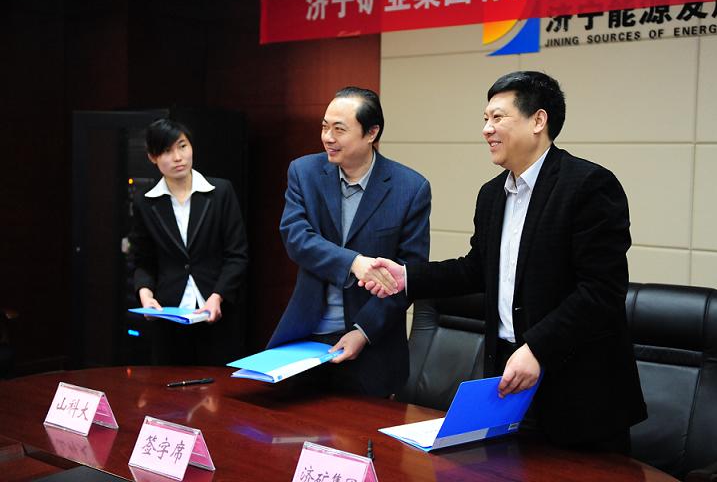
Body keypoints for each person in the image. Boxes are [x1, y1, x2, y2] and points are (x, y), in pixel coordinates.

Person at [364, 71, 647, 452]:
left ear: (538, 120)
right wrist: (407, 277)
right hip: (508, 382)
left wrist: (537, 348)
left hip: (580, 392)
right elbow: (476, 269)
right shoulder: (492, 194)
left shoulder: (588, 185)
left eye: (498, 117)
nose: (486, 129)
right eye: (485, 118)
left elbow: (601, 291)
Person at [266, 86, 431, 397]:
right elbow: (296, 237)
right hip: (306, 338)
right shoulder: (304, 172)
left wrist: (362, 332)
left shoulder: (410, 188)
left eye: (339, 129)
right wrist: (354, 263)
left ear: (371, 133)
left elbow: (408, 275)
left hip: (372, 346)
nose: (328, 137)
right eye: (324, 127)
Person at [129, 118, 248, 366]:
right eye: (166, 151)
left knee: (218, 385)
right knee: (168, 385)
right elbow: (142, 259)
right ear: (152, 157)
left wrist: (218, 296)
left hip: (217, 312)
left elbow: (237, 255)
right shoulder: (146, 202)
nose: (178, 157)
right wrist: (146, 295)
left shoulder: (220, 192)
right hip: (168, 316)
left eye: (182, 146)